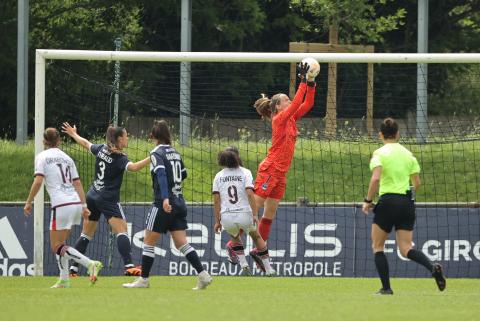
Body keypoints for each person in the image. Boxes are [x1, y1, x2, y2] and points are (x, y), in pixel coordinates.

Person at [235, 62, 317, 268]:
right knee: (256, 207)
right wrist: (302, 81)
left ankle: (258, 250)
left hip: (281, 173)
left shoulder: (290, 118)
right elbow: (299, 101)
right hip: (271, 169)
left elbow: (306, 104)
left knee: (269, 213)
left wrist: (311, 82)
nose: (290, 102)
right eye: (286, 100)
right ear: (278, 106)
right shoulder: (279, 119)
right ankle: (233, 243)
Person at [123, 120, 212, 289]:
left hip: (163, 203)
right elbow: (183, 174)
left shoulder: (156, 153)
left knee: (149, 242)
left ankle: (143, 280)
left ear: (154, 136)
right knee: (182, 243)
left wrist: (164, 198)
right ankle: (203, 275)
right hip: (179, 202)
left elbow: (162, 175)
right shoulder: (175, 152)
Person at [362, 117, 446, 295]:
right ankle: (432, 267)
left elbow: (376, 178)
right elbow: (417, 183)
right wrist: (406, 195)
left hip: (387, 202)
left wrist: (368, 201)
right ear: (398, 134)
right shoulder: (408, 154)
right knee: (406, 248)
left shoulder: (379, 153)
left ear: (381, 135)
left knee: (378, 247)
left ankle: (386, 288)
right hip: (406, 203)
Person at [62, 122, 150, 276]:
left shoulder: (102, 148)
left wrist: (73, 134)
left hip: (92, 195)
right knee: (122, 231)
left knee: (86, 234)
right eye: (126, 136)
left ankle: (73, 268)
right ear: (120, 139)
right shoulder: (119, 157)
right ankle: (129, 266)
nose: (127, 138)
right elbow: (134, 168)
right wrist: (152, 157)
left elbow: (86, 143)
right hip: (107, 198)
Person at [24, 128, 103, 288]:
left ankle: (90, 264)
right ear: (59, 141)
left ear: (44, 142)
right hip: (74, 203)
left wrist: (28, 201)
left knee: (56, 246)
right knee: (62, 244)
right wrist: (84, 206)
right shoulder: (67, 158)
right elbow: (78, 183)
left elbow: (38, 181)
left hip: (61, 204)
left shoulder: (42, 157)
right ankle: (64, 279)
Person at [213, 149, 275, 276]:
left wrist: (217, 222)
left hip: (227, 215)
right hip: (244, 213)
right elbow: (250, 194)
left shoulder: (218, 176)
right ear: (237, 158)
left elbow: (216, 201)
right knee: (257, 237)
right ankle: (269, 269)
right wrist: (254, 214)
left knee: (235, 237)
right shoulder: (245, 172)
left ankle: (244, 265)